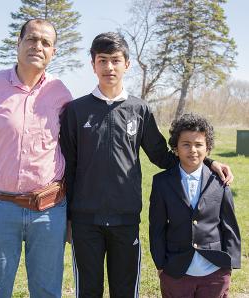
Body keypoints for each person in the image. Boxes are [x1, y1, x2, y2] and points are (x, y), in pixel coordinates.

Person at [60, 32, 233, 298]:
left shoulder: (139, 110)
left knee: (126, 291)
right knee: (88, 291)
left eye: (116, 60)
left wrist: (208, 162)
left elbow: (163, 156)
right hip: (85, 222)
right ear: (93, 64)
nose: (109, 67)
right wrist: (69, 217)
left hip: (126, 220)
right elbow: (67, 166)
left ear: (127, 64)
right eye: (102, 60)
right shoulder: (76, 110)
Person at [0, 19, 72, 298]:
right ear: (18, 44)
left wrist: (69, 217)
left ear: (53, 52)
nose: (38, 46)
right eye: (31, 39)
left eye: (46, 42)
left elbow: (72, 155)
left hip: (49, 210)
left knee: (47, 291)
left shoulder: (61, 94)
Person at [149, 113, 241, 298]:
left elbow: (229, 225)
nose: (193, 150)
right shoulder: (161, 183)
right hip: (176, 271)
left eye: (199, 145)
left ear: (208, 148)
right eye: (186, 144)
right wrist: (161, 266)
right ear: (175, 148)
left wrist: (228, 267)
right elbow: (157, 228)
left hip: (215, 273)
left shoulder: (220, 181)